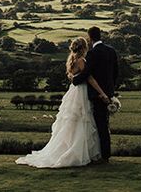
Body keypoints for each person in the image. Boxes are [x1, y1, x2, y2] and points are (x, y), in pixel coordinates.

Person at [15, 36, 106, 168]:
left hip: (74, 91)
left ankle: (76, 150)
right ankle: (78, 153)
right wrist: (101, 92)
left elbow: (74, 77)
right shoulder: (81, 60)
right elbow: (90, 78)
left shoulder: (72, 60)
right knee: (81, 120)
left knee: (72, 122)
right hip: (81, 92)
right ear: (84, 48)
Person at [71, 26, 119, 162]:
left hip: (97, 94)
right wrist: (110, 91)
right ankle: (106, 154)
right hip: (108, 93)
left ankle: (103, 156)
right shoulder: (111, 51)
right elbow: (115, 73)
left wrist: (75, 80)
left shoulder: (92, 53)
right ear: (100, 35)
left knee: (99, 124)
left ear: (90, 38)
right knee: (105, 124)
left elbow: (87, 74)